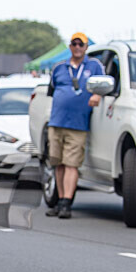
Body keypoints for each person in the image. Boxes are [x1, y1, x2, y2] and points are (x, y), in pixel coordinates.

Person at [44, 32, 103, 219]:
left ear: (86, 47)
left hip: (78, 124)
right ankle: (60, 199)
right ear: (70, 46)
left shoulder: (94, 66)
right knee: (58, 163)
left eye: (81, 44)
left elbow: (103, 87)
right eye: (74, 44)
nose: (77, 47)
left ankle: (67, 202)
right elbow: (52, 91)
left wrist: (98, 95)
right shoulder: (59, 68)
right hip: (57, 121)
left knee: (71, 164)